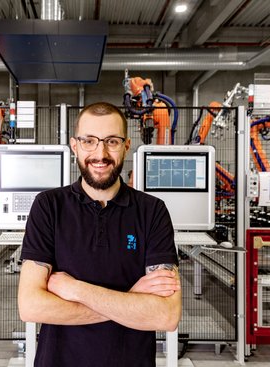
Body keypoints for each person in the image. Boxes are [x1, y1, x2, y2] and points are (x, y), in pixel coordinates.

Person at [18, 102, 181, 367]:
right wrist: (132, 299)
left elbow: (166, 316)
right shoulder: (49, 206)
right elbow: (31, 307)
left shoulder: (152, 211)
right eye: (89, 141)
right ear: (75, 146)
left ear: (127, 145)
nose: (100, 153)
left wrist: (74, 289)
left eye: (112, 141)